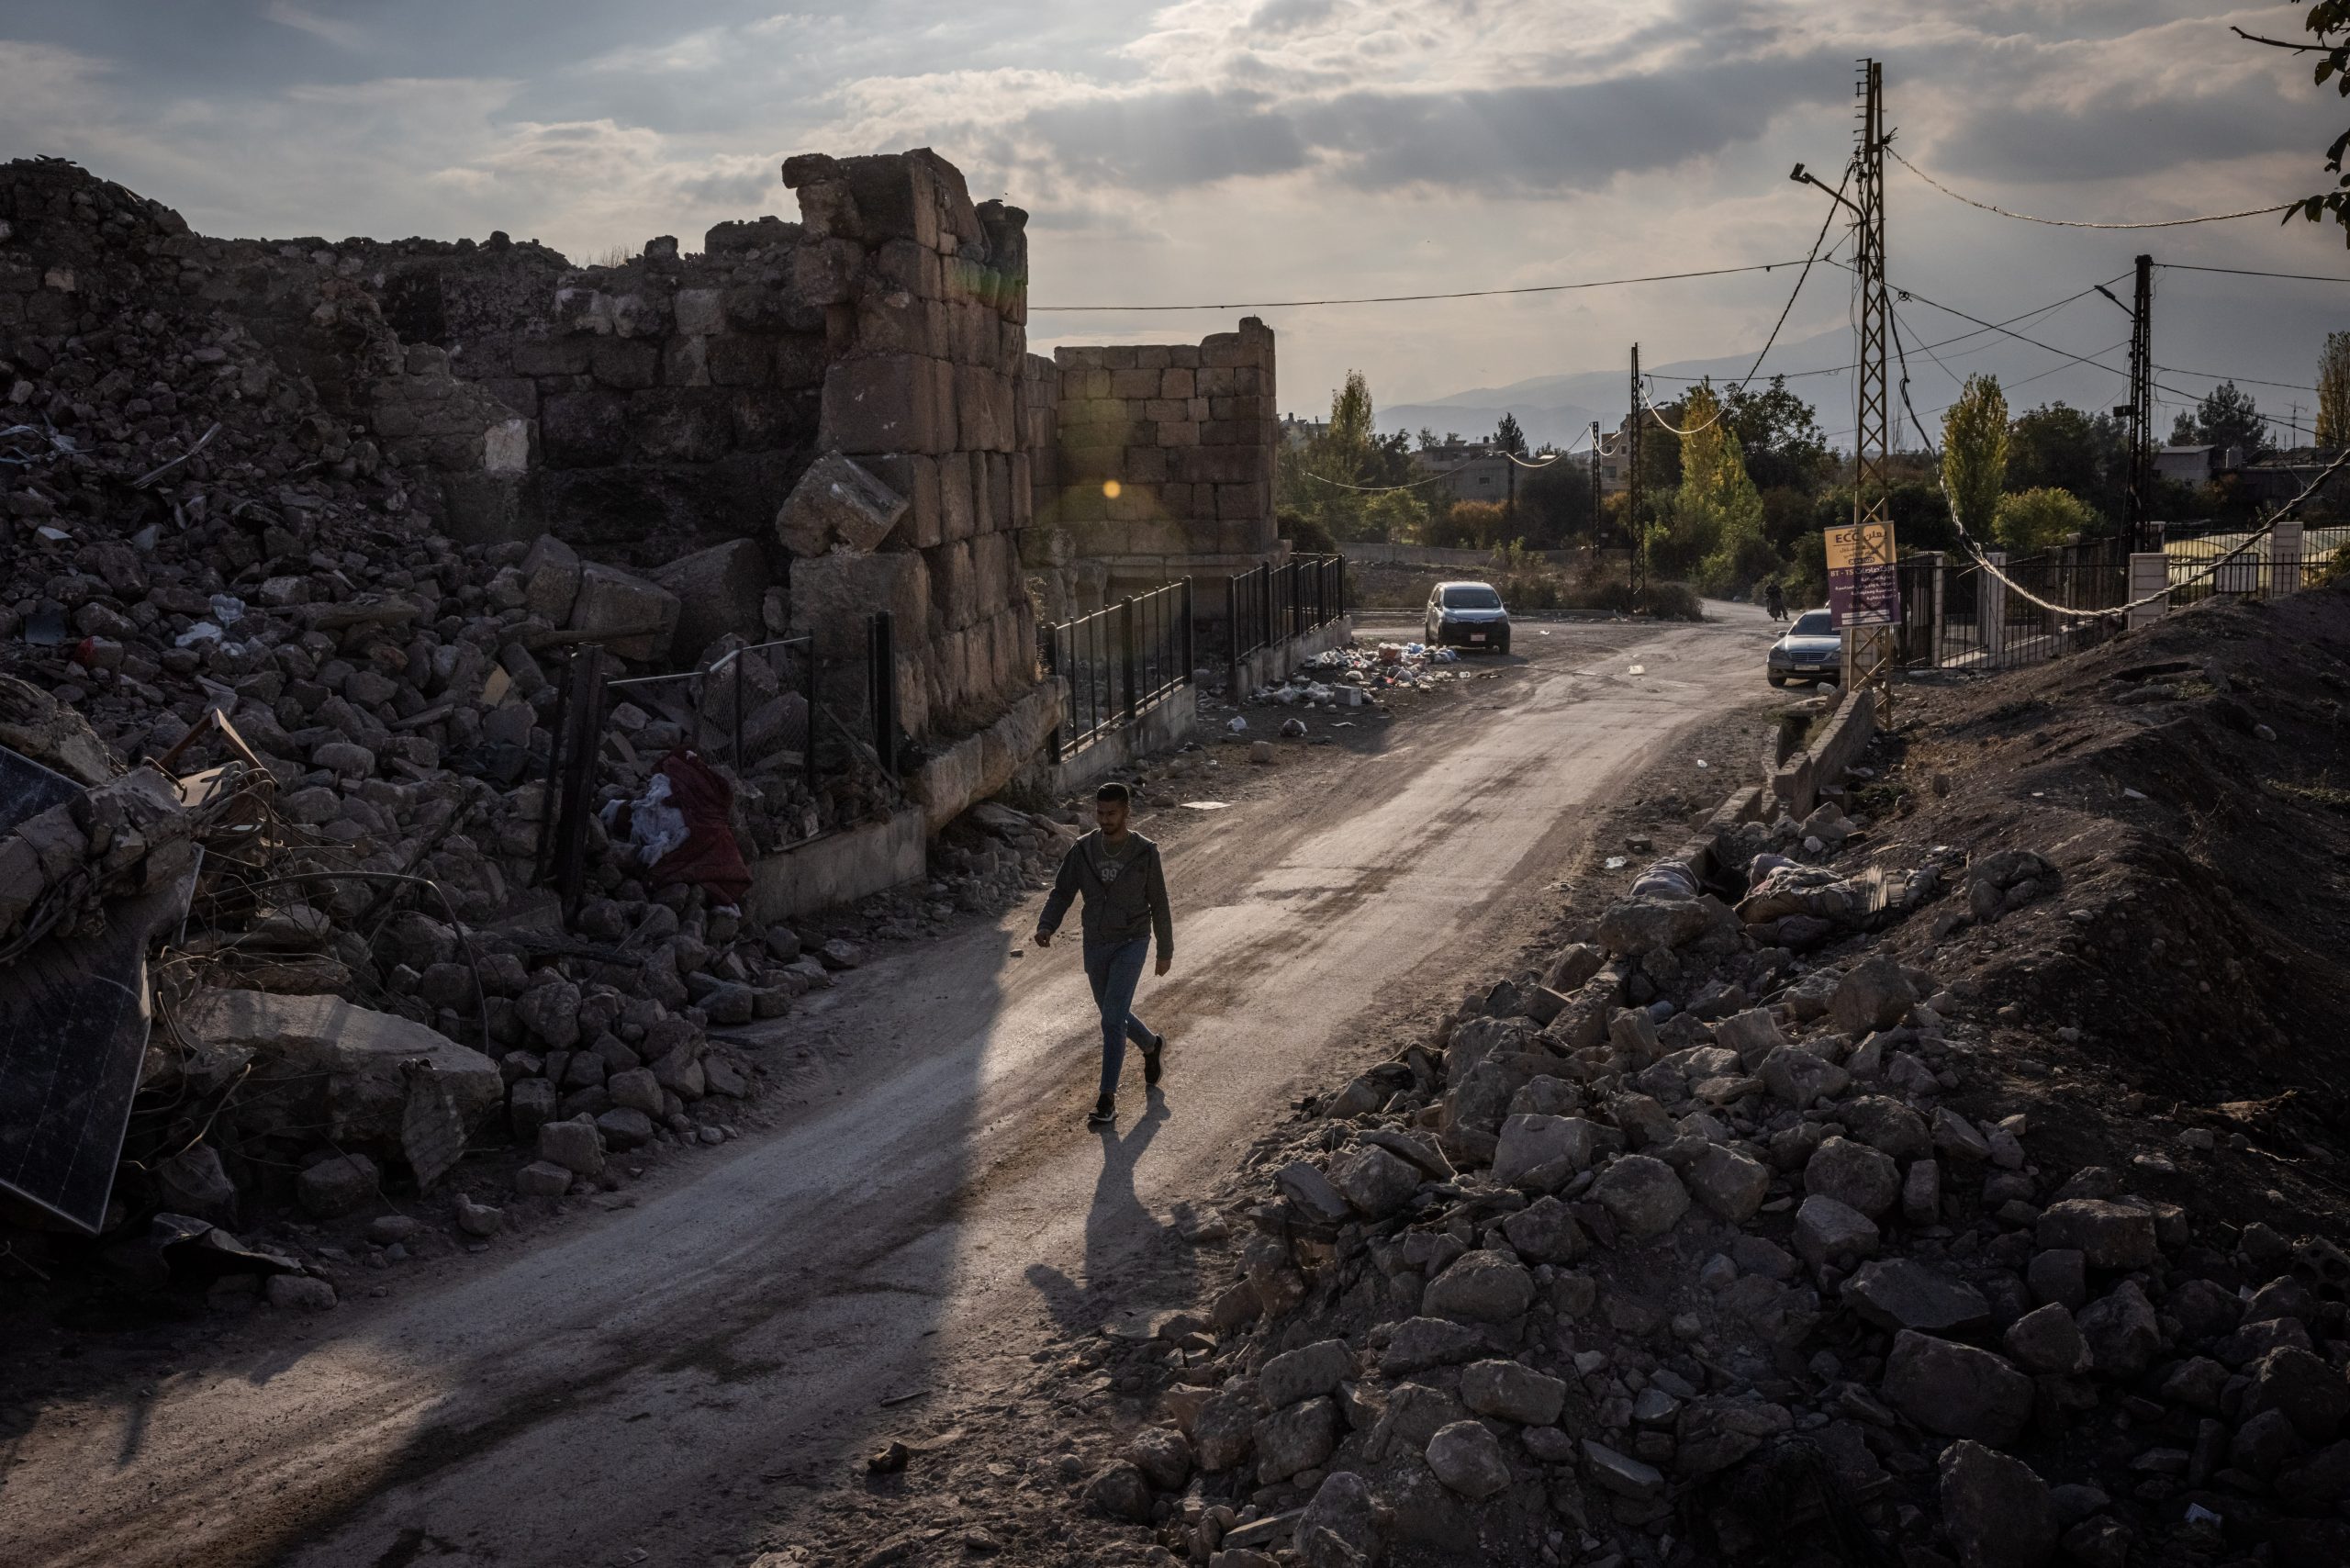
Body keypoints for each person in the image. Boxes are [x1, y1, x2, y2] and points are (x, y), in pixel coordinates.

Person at [1035, 781, 1172, 1126]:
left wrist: (1164, 950)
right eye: (1100, 813)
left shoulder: (1144, 852)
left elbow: (1159, 902)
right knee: (1114, 1012)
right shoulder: (1083, 850)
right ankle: (1151, 1044)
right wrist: (1047, 925)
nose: (1105, 819)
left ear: (1127, 812)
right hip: (1096, 942)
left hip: (1132, 941)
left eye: (1112, 813)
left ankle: (1107, 1098)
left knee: (1111, 1020)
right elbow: (1062, 891)